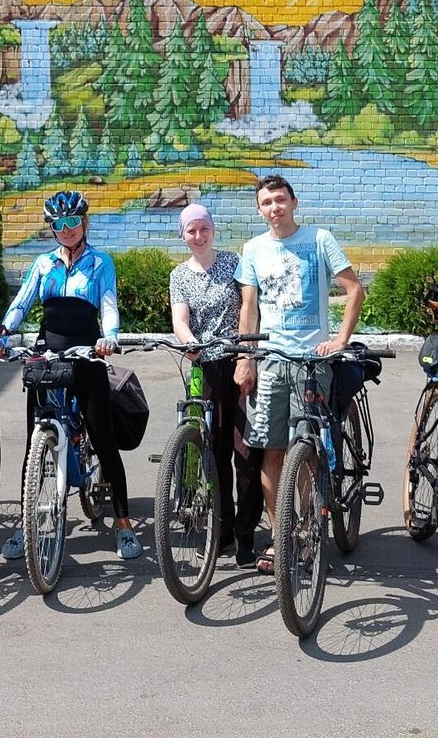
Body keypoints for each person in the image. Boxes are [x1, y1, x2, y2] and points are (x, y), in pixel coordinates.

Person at [0, 189, 141, 561]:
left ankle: (123, 523)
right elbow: (21, 303)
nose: (67, 228)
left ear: (84, 223)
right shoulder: (43, 264)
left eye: (73, 221)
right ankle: (27, 525)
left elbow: (108, 304)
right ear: (52, 228)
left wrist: (109, 337)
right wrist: (2, 336)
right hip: (48, 354)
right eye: (59, 224)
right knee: (33, 445)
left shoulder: (100, 262)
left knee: (103, 437)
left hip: (88, 352)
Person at [235, 174, 365, 577]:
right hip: (271, 360)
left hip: (312, 362)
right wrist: (246, 358)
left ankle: (308, 530)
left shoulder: (320, 239)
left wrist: (340, 340)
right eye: (266, 202)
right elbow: (249, 308)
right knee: (271, 451)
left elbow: (354, 289)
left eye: (280, 199)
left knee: (306, 450)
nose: (274, 207)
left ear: (294, 202)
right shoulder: (253, 249)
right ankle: (281, 535)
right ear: (259, 210)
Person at [168, 203, 265, 569]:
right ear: (183, 235)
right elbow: (180, 319)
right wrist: (189, 342)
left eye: (203, 228)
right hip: (206, 367)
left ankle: (246, 537)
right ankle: (222, 532)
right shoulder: (179, 275)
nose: (199, 236)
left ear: (212, 230)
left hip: (239, 362)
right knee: (216, 453)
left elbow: (249, 307)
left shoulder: (233, 263)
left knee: (246, 453)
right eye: (191, 231)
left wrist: (246, 353)